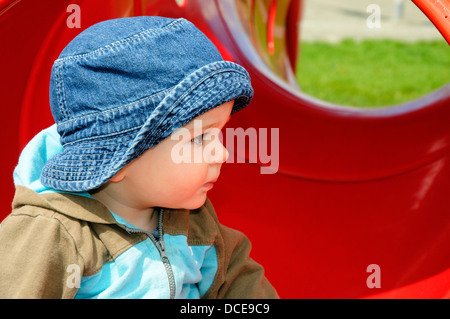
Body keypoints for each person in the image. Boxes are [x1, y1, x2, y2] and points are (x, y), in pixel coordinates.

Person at [0, 16, 278, 299]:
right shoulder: (53, 234)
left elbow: (238, 280)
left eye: (219, 133)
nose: (223, 153)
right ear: (119, 161)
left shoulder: (193, 222)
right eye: (198, 138)